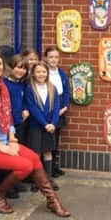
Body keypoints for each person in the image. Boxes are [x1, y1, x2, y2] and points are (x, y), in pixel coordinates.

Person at [0, 48, 69, 217]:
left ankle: (52, 201)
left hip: (6, 141)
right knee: (26, 166)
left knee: (35, 158)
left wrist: (12, 139)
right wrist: (2, 146)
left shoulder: (2, 87)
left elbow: (8, 119)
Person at [0, 54, 30, 199]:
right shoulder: (4, 84)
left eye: (24, 68)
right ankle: (6, 186)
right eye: (18, 67)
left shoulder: (21, 84)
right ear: (11, 67)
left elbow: (23, 101)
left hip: (19, 123)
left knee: (17, 154)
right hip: (7, 126)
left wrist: (25, 108)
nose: (21, 71)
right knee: (8, 155)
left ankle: (15, 181)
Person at [24, 61, 61, 191]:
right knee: (36, 154)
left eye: (43, 72)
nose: (41, 74)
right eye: (38, 71)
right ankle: (37, 181)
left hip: (50, 126)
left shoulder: (52, 88)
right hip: (36, 126)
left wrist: (53, 123)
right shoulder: (30, 88)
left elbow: (56, 108)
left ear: (47, 73)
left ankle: (48, 179)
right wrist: (44, 124)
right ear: (33, 73)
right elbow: (33, 108)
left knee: (48, 152)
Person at [44, 46, 70, 177]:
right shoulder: (43, 73)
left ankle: (54, 166)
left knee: (56, 140)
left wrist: (65, 106)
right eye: (51, 57)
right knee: (48, 140)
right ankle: (47, 169)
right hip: (48, 111)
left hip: (60, 110)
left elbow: (66, 91)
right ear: (46, 58)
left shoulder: (61, 73)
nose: (54, 60)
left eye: (56, 57)